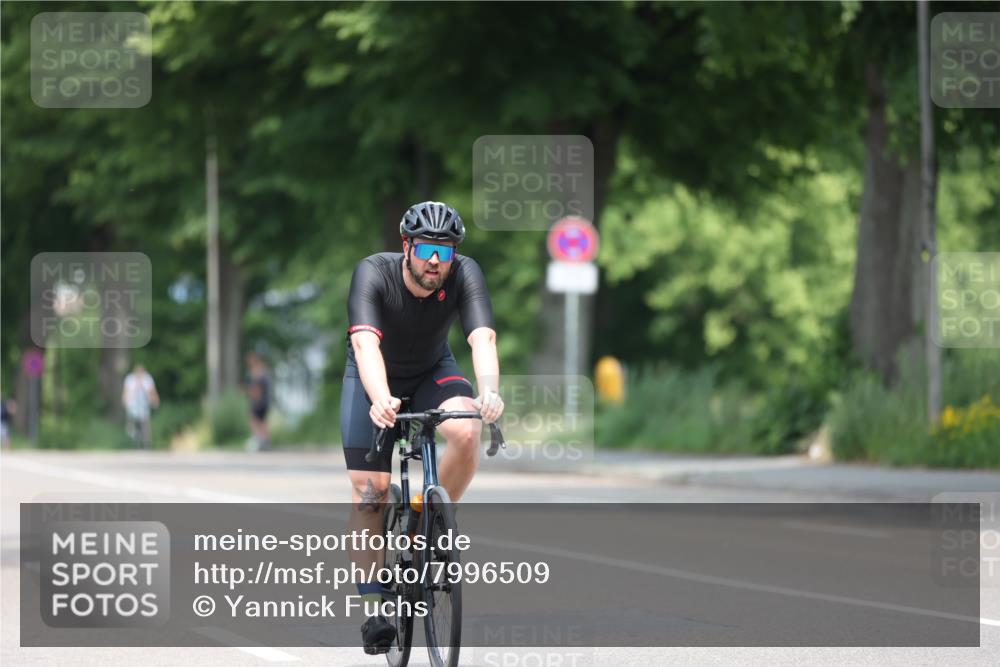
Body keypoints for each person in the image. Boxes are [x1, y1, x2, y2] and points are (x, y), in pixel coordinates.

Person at [342, 201, 504, 654]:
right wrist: (380, 398)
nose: (436, 260)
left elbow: (482, 337)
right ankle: (375, 610)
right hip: (373, 377)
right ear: (407, 246)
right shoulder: (374, 274)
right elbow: (364, 343)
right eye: (428, 248)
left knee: (467, 427)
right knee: (371, 491)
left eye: (446, 251)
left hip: (435, 369)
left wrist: (489, 391)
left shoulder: (465, 274)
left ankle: (429, 521)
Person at [122, 364, 159, 449]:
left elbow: (152, 391)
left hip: (144, 403)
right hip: (132, 403)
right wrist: (125, 401)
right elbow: (126, 392)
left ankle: (146, 443)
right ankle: (133, 440)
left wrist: (155, 399)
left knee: (145, 422)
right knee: (131, 422)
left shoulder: (147, 379)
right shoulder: (130, 379)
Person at [245, 351, 272, 452]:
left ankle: (259, 439)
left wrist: (254, 397)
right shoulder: (262, 370)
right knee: (262, 421)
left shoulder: (258, 371)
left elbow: (257, 388)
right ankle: (265, 440)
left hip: (259, 401)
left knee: (254, 419)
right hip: (263, 401)